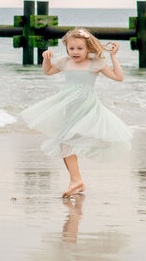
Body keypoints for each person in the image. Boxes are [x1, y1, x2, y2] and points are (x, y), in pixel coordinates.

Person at [20, 27, 131, 198]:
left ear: (88, 48)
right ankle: (76, 180)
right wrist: (46, 59)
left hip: (88, 107)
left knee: (72, 139)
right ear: (66, 49)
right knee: (64, 141)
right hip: (70, 106)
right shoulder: (65, 62)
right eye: (71, 49)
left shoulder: (96, 63)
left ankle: (76, 180)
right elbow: (48, 72)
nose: (75, 52)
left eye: (79, 48)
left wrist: (113, 57)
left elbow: (119, 77)